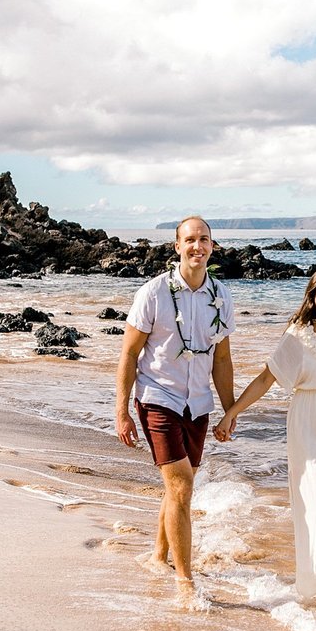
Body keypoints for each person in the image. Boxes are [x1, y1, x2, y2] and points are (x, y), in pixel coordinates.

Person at [213, 267, 316, 601]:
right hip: (311, 426)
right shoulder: (299, 335)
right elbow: (266, 379)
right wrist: (232, 412)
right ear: (311, 296)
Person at [115, 216, 235, 602]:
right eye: (189, 240)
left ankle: (158, 556)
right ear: (176, 246)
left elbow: (222, 360)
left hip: (198, 404)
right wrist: (122, 411)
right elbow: (130, 353)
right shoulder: (153, 293)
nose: (197, 247)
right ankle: (185, 582)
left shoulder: (222, 296)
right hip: (158, 397)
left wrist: (228, 410)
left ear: (212, 247)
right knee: (182, 487)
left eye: (204, 240)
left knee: (178, 488)